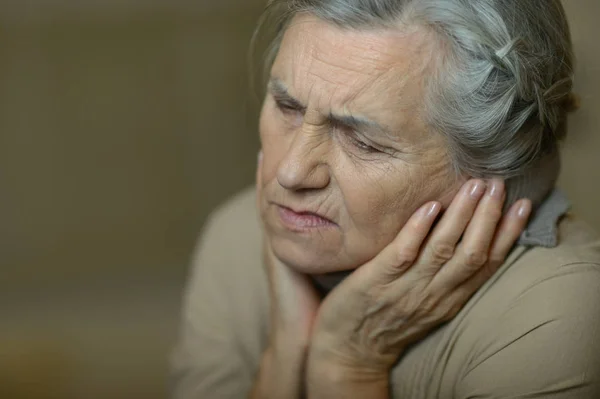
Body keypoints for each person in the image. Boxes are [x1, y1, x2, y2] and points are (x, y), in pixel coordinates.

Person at [171, 0, 600, 397]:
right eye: (287, 106)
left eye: (363, 141)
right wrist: (284, 355)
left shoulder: (555, 311)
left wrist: (347, 365)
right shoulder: (236, 236)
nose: (291, 172)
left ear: (485, 168)